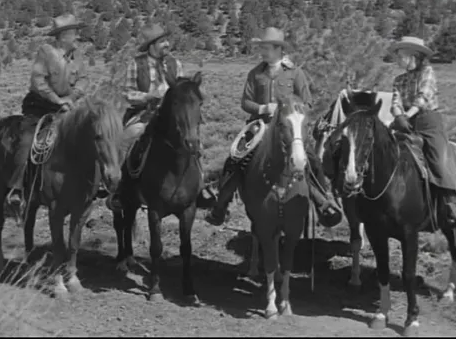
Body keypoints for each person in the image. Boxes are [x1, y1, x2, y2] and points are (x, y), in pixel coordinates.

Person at [205, 27, 341, 227]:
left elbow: (308, 103)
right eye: (262, 48)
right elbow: (245, 102)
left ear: (278, 49)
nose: (263, 52)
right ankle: (220, 206)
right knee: (235, 159)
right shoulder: (255, 74)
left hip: (289, 129)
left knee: (311, 159)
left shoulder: (295, 73)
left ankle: (324, 202)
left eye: (266, 48)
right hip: (259, 126)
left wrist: (290, 111)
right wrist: (262, 107)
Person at [6, 13, 89, 209]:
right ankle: (17, 188)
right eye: (74, 33)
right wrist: (57, 100)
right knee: (27, 140)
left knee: (86, 136)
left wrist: (71, 98)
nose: (78, 36)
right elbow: (38, 81)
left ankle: (89, 184)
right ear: (62, 36)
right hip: (40, 106)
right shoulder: (46, 51)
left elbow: (84, 79)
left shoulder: (77, 55)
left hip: (66, 106)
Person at [106, 23, 184, 211]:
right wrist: (148, 96)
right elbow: (127, 93)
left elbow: (183, 91)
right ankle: (120, 189)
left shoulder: (175, 64)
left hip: (171, 116)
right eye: (162, 41)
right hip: (144, 114)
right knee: (127, 138)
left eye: (166, 40)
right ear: (151, 45)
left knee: (192, 137)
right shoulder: (137, 64)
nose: (166, 44)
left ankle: (199, 186)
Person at [389, 36, 456, 229]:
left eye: (400, 55)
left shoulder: (427, 72)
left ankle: (450, 204)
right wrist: (399, 117)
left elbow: (423, 96)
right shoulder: (398, 80)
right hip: (405, 122)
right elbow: (395, 101)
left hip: (428, 122)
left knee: (439, 160)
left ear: (413, 55)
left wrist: (407, 114)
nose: (397, 59)